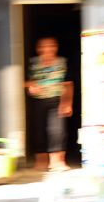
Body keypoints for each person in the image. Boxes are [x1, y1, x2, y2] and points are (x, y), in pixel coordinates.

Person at [27, 37, 74, 172]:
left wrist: (67, 103)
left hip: (57, 100)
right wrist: (31, 86)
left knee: (57, 131)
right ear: (39, 49)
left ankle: (57, 162)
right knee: (39, 131)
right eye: (44, 46)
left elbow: (68, 84)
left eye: (51, 45)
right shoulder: (32, 63)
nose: (48, 48)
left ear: (56, 47)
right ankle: (41, 162)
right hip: (38, 101)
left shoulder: (62, 62)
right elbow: (24, 81)